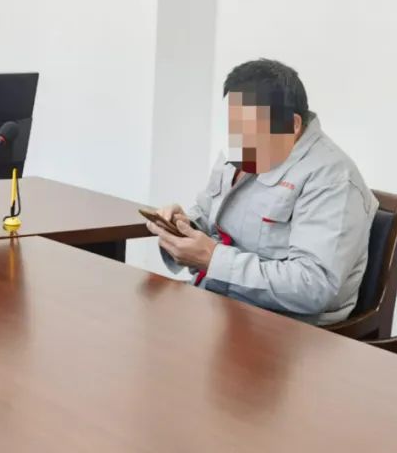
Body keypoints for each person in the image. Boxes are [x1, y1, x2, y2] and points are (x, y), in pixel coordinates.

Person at [147, 58, 376, 324]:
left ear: (293, 125)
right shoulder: (241, 151)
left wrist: (212, 258)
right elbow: (208, 218)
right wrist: (184, 228)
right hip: (221, 304)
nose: (240, 140)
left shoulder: (332, 178)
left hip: (286, 328)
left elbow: (315, 286)